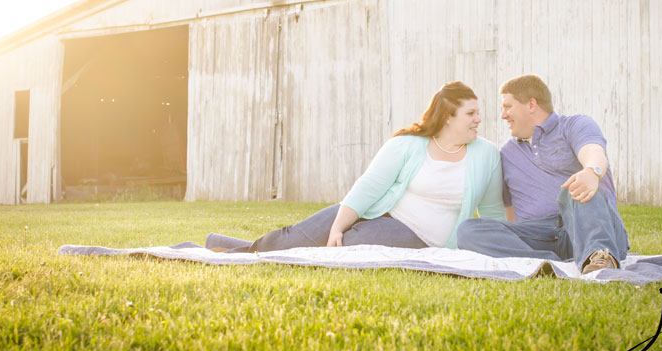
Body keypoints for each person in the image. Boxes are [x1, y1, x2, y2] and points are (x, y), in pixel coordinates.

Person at [207, 81, 506, 253]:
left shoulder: (486, 155)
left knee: (335, 249)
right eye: (471, 113)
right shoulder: (408, 145)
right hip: (379, 210)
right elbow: (369, 187)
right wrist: (338, 224)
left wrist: (498, 253)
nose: (479, 119)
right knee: (296, 236)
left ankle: (232, 252)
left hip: (419, 236)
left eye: (477, 112)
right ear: (448, 118)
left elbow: (492, 214)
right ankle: (229, 250)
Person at [456, 74, 629, 274]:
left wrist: (592, 172)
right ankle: (546, 264)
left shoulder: (574, 125)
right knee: (469, 229)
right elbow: (510, 211)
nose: (503, 115)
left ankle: (600, 255)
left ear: (531, 105)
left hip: (585, 224)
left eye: (507, 106)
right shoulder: (507, 154)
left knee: (574, 188)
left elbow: (594, 152)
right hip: (540, 236)